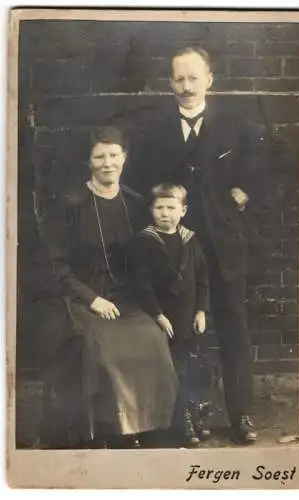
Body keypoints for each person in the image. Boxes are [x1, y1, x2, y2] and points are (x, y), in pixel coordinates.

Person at [126, 46, 274, 445]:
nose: (186, 87)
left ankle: (242, 413)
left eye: (194, 78)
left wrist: (241, 195)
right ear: (170, 82)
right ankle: (187, 417)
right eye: (179, 79)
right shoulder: (155, 132)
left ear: (210, 79)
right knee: (184, 336)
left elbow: (263, 167)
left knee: (233, 329)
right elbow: (140, 183)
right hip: (177, 251)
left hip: (224, 247)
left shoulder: (236, 125)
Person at [41, 126, 178, 449]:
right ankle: (110, 430)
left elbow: (148, 255)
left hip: (127, 298)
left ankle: (146, 428)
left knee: (153, 339)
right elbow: (57, 266)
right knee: (103, 345)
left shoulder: (135, 203)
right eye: (99, 156)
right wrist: (91, 299)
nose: (107, 163)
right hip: (84, 297)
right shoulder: (71, 205)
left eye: (113, 155)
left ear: (124, 158)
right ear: (89, 162)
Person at [129, 183, 210, 447]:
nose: (165, 213)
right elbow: (141, 283)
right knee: (169, 368)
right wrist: (158, 314)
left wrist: (201, 310)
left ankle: (191, 414)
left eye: (171, 208)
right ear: (151, 210)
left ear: (183, 210)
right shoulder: (145, 241)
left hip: (187, 316)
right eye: (159, 207)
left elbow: (202, 278)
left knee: (188, 366)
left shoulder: (190, 239)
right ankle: (179, 423)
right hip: (161, 317)